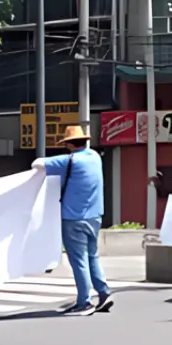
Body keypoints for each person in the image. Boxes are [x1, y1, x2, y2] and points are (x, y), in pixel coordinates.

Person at [33, 125, 112, 316]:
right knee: (92, 256)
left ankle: (84, 302)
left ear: (69, 143)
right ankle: (103, 292)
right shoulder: (95, 157)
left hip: (73, 218)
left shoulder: (69, 161)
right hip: (95, 216)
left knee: (79, 260)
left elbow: (37, 164)